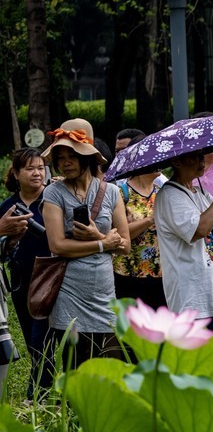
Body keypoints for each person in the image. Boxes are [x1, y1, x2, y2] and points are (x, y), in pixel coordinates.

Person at [40, 120, 130, 364]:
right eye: (60, 157)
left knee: (112, 366)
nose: (65, 162)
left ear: (87, 157)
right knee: (77, 370)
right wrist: (102, 244)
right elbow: (57, 245)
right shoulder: (53, 193)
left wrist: (98, 236)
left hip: (103, 294)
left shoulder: (111, 192)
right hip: (69, 293)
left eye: (72, 155)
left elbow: (125, 245)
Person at [156, 148, 213, 338]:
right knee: (195, 360)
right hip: (191, 294)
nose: (201, 161)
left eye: (201, 156)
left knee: (210, 355)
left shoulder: (198, 192)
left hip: (212, 288)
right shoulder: (169, 195)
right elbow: (199, 230)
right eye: (194, 157)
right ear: (176, 162)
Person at [1, 148, 52, 396]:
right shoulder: (8, 207)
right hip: (21, 279)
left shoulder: (54, 199)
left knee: (42, 339)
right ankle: (43, 387)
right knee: (31, 336)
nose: (36, 173)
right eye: (30, 169)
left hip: (52, 277)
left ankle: (38, 392)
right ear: (17, 173)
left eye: (41, 168)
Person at [112, 131, 168, 308]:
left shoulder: (163, 192)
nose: (159, 162)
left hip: (161, 273)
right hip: (130, 273)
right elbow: (118, 234)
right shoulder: (121, 193)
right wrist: (150, 220)